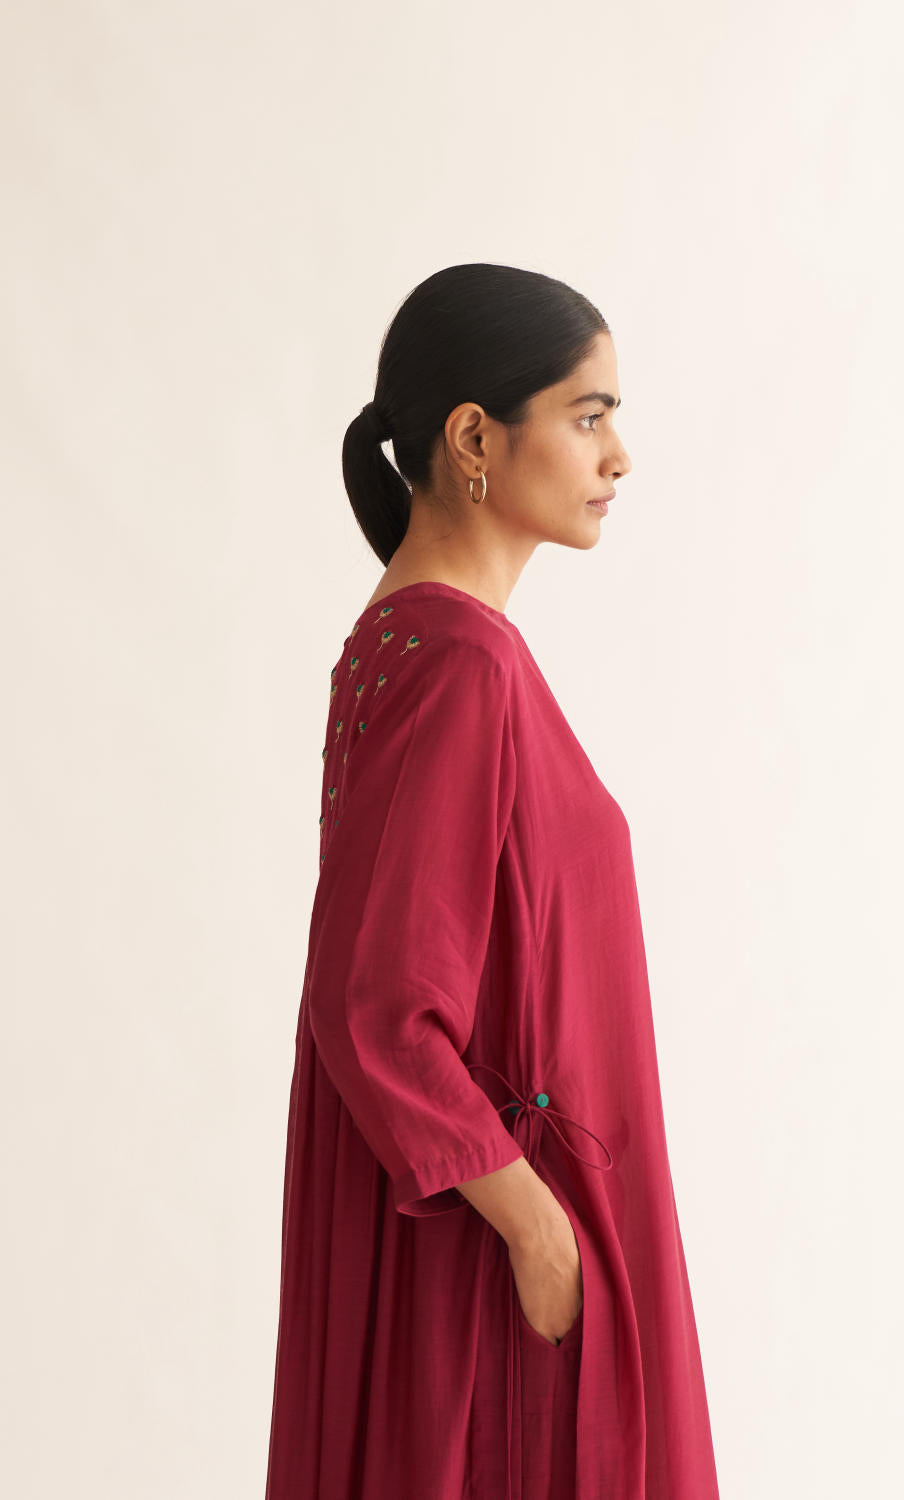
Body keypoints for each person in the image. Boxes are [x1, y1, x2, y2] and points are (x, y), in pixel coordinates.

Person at [264, 263, 720, 1500]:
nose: (618, 456)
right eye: (588, 414)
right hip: (488, 1276)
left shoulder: (406, 642)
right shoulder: (456, 662)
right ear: (474, 438)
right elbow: (377, 1005)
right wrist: (537, 1228)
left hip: (473, 1247)